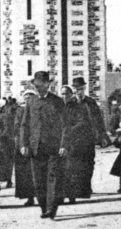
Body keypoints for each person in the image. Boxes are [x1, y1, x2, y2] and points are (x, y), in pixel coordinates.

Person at [19, 71, 70, 220]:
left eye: (42, 85)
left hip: (54, 148)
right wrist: (24, 144)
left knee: (53, 178)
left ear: (48, 85)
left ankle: (51, 209)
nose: (39, 88)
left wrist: (63, 144)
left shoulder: (58, 102)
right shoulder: (31, 101)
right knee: (38, 180)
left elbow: (65, 125)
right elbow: (24, 125)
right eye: (36, 85)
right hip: (36, 148)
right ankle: (43, 207)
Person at [67, 77, 110, 200]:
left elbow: (98, 120)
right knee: (75, 164)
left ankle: (86, 188)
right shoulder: (70, 103)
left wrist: (102, 136)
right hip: (74, 138)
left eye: (81, 89)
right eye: (76, 89)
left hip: (88, 137)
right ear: (74, 90)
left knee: (89, 163)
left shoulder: (91, 102)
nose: (78, 91)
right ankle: (76, 189)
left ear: (84, 88)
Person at [14, 89, 37, 207]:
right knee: (25, 172)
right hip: (23, 143)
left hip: (36, 143)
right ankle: (29, 197)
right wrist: (22, 143)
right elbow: (17, 126)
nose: (28, 99)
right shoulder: (20, 110)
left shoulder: (38, 108)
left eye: (30, 97)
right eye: (26, 97)